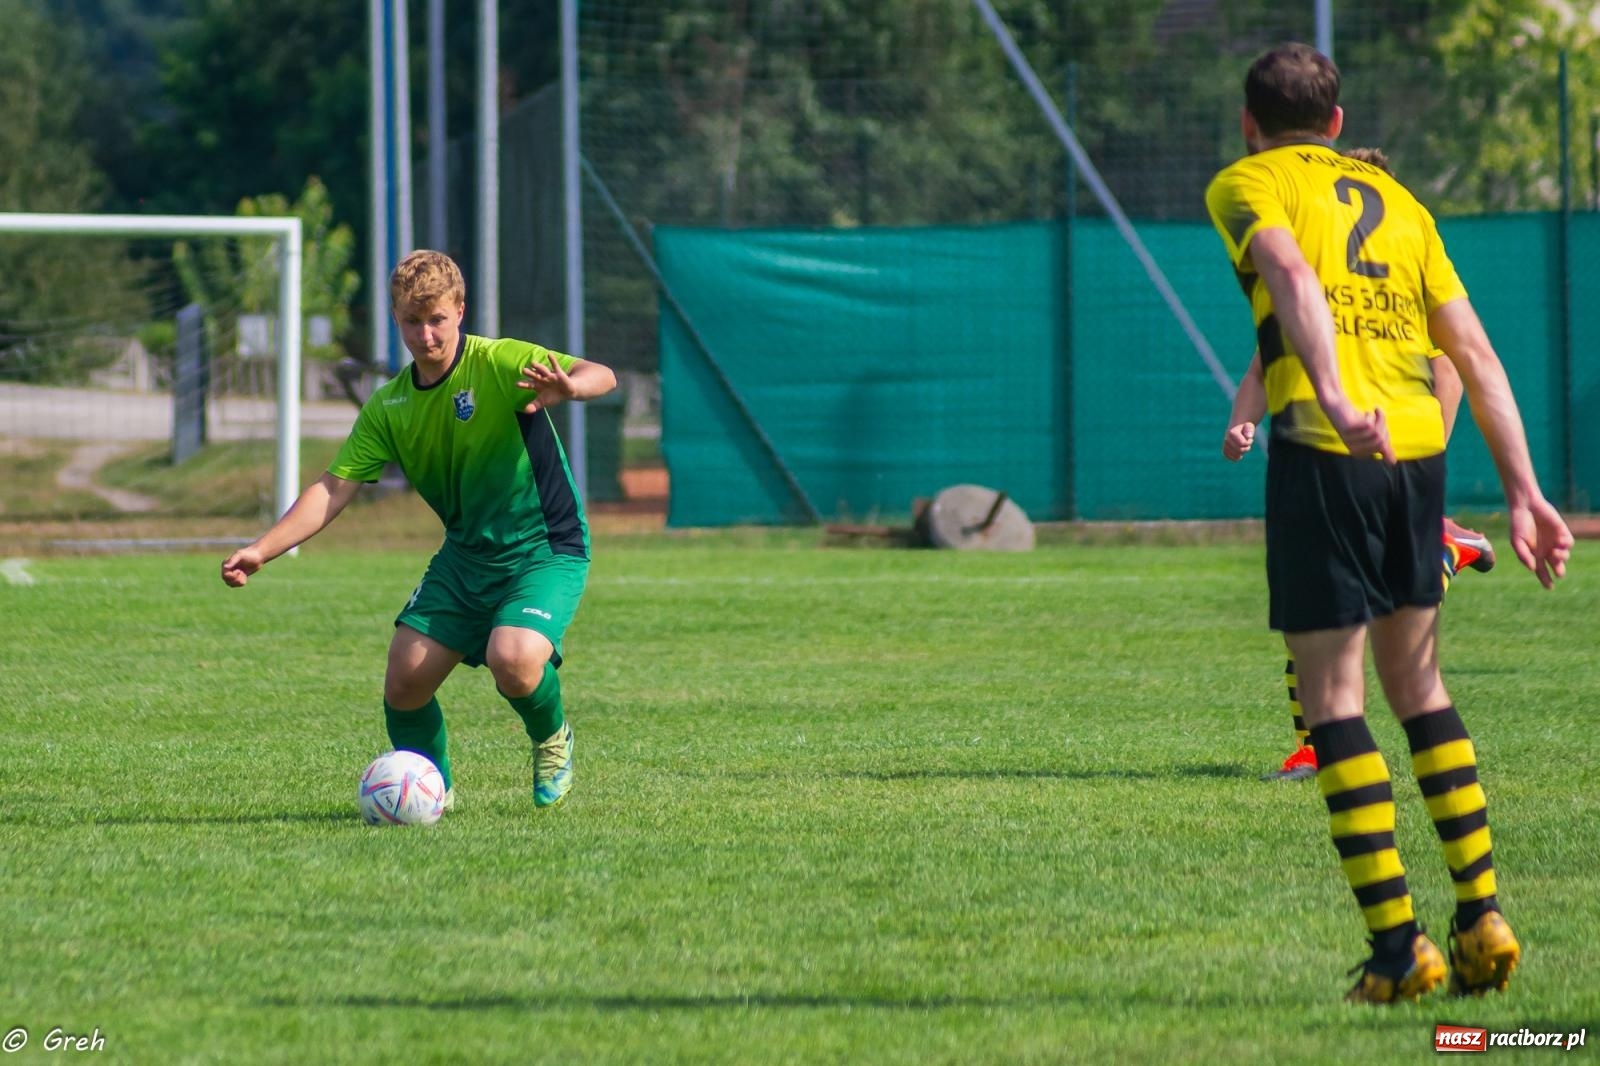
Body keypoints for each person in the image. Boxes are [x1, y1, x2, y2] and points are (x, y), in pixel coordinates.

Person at [1205, 44, 1572, 1004]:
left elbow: (1285, 269)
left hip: (1330, 451)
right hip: (1418, 454)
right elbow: (1475, 351)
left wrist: (1326, 392)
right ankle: (1483, 912)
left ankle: (1398, 948)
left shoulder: (1249, 182)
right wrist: (1528, 491)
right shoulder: (1402, 205)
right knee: (1420, 686)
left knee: (1333, 702)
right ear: (1336, 121)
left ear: (1251, 122)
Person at [221, 249, 617, 812]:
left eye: (437, 319)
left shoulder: (500, 362)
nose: (426, 335)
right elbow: (333, 490)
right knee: (405, 681)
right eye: (412, 321)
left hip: (543, 547)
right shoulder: (391, 406)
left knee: (514, 659)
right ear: (396, 318)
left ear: (460, 311)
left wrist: (572, 387)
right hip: (465, 558)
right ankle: (434, 792)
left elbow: (601, 374)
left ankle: (552, 739)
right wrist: (262, 549)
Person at [1221, 147, 1495, 783]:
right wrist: (1244, 423)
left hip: (1383, 465)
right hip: (1326, 457)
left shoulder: (1393, 277)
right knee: (1318, 614)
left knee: (1346, 621)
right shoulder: (1317, 272)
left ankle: (1322, 749)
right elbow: (1265, 365)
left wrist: (1426, 464)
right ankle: (1318, 748)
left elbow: (1451, 365)